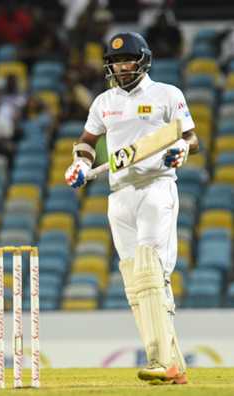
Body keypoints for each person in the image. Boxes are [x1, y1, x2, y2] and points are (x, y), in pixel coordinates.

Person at [64, 32, 199, 385]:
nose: (122, 67)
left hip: (156, 186)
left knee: (149, 269)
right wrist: (80, 163)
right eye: (116, 62)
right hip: (118, 193)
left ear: (143, 61)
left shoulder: (167, 94)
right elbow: (88, 142)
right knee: (134, 282)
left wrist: (181, 151)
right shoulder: (104, 101)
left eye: (128, 61)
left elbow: (190, 137)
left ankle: (159, 360)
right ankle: (175, 367)